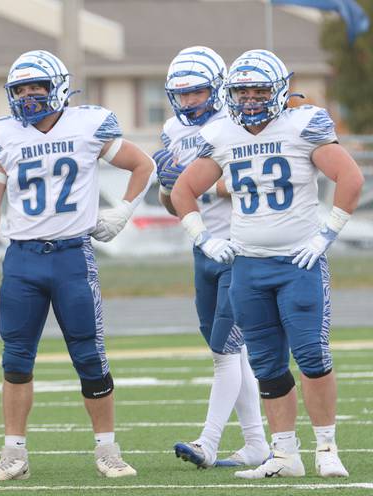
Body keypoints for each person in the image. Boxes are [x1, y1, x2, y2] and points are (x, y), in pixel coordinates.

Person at [171, 49, 364, 479]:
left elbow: (350, 177)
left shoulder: (303, 124)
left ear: (278, 89)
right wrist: (201, 237)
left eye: (259, 90)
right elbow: (183, 191)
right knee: (266, 363)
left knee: (312, 355)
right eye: (242, 91)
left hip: (298, 261)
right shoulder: (223, 133)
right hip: (248, 267)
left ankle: (327, 447)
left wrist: (326, 234)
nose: (251, 99)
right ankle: (283, 454)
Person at [0, 49, 152, 481]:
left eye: (38, 88)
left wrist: (122, 210)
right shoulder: (2, 135)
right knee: (15, 360)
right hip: (24, 259)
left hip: (72, 256)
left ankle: (108, 449)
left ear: (60, 89)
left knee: (90, 356)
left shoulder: (88, 124)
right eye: (21, 89)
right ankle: (14, 455)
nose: (29, 97)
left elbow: (142, 164)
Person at [153, 47, 269, 469]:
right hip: (202, 245)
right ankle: (256, 443)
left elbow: (253, 184)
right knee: (229, 352)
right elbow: (174, 204)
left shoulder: (237, 122)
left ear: (217, 89)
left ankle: (209, 441)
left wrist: (195, 183)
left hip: (239, 246)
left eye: (197, 92)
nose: (188, 103)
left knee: (224, 349)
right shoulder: (172, 129)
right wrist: (170, 187)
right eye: (181, 95)